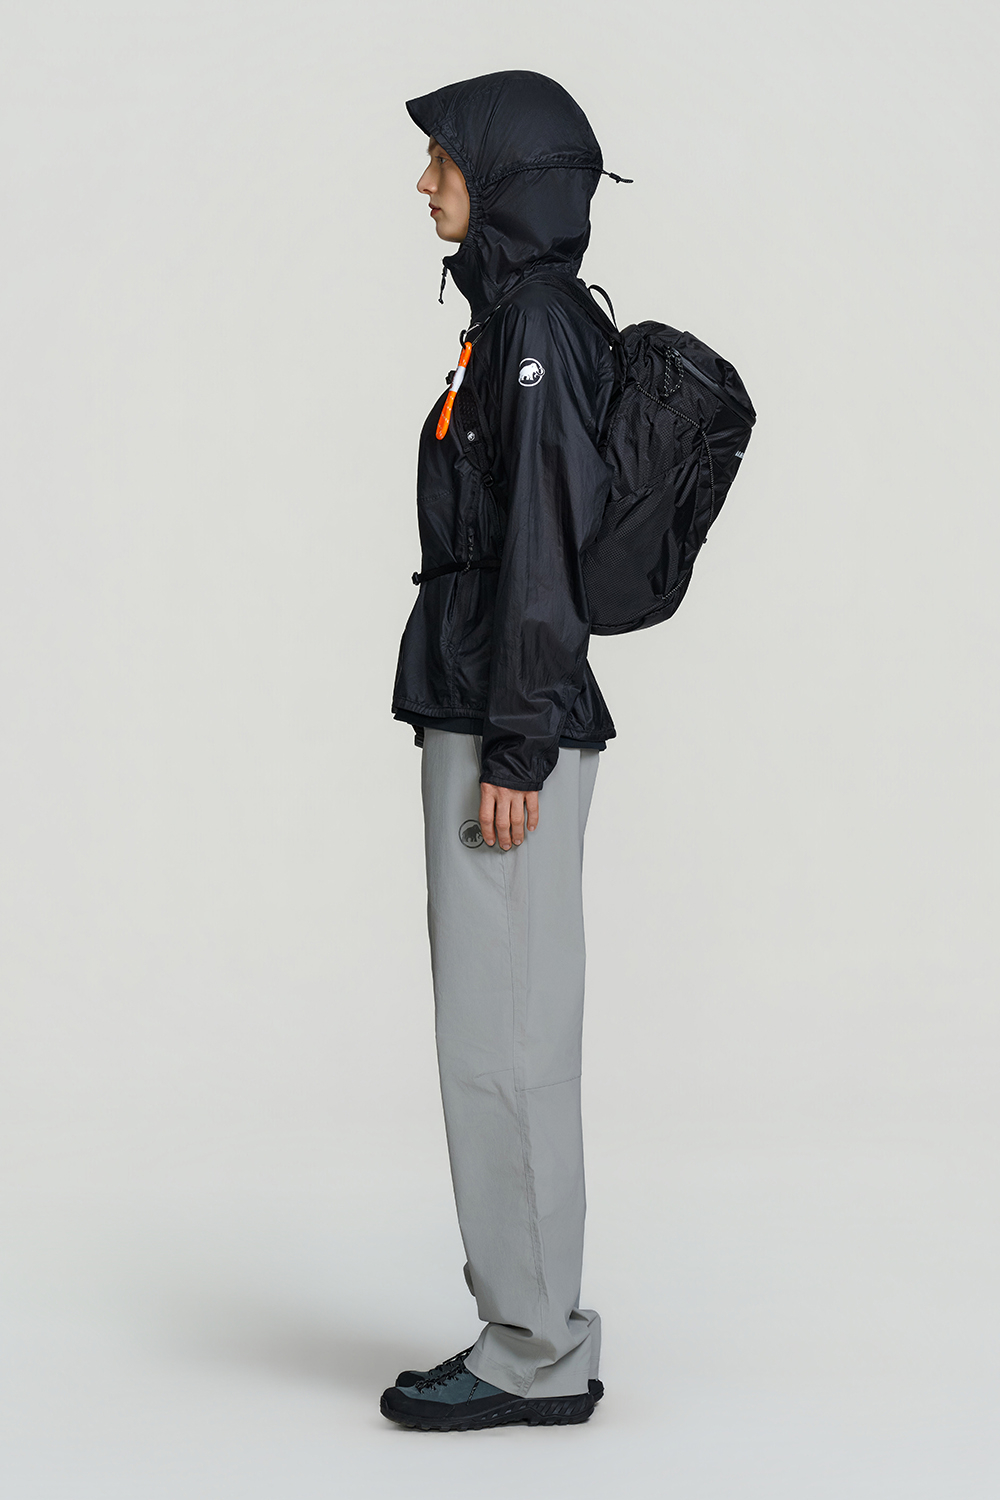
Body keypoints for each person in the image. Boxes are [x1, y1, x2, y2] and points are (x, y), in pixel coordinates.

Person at [380, 71, 621, 1432]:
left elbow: (542, 553)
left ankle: (535, 1350)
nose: (424, 185)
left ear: (505, 180)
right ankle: (528, 1328)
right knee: (492, 1036)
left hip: (506, 727)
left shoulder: (535, 332)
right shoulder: (511, 322)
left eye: (444, 163)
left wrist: (518, 753)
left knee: (506, 1044)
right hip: (485, 708)